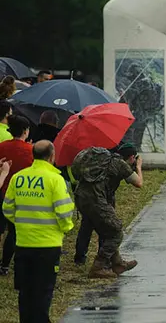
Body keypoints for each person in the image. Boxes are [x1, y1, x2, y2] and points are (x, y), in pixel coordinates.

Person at [2, 140, 74, 323]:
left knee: (25, 293)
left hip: (23, 243)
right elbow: (64, 211)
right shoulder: (55, 180)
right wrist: (66, 228)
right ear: (52, 157)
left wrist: (21, 224)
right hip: (48, 245)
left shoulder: (18, 177)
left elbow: (7, 208)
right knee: (43, 293)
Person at [71, 143, 143, 277]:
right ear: (132, 157)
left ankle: (117, 263)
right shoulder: (120, 164)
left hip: (81, 197)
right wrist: (138, 167)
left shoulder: (104, 161)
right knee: (116, 231)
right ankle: (98, 266)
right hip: (95, 200)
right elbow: (139, 183)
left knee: (106, 229)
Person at [0, 115, 33, 275]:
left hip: (1, 191)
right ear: (25, 131)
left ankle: (3, 265)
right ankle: (7, 264)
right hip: (19, 195)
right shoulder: (30, 151)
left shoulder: (2, 146)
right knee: (14, 232)